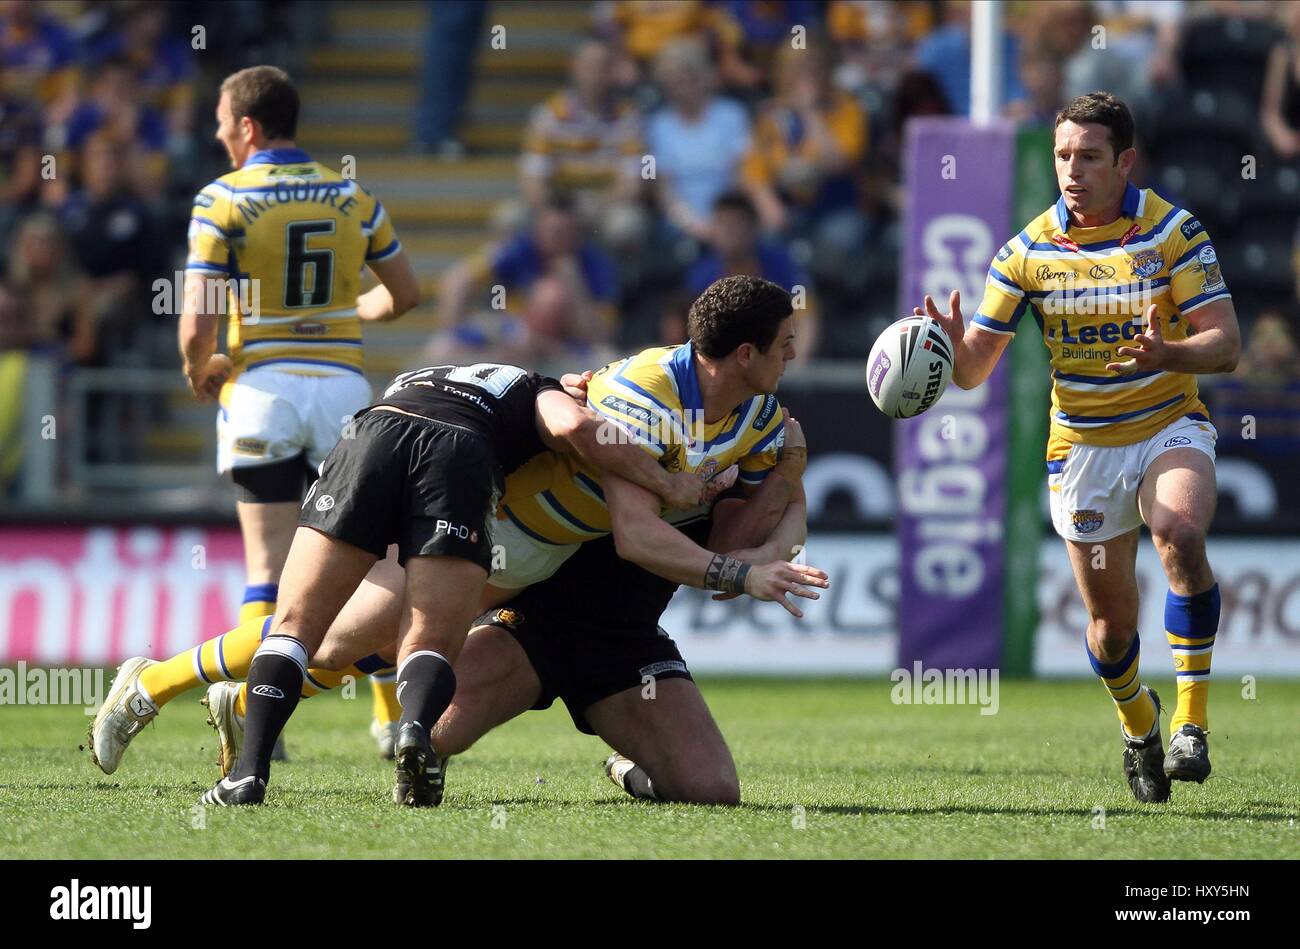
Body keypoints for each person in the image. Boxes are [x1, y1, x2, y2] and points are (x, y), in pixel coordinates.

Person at [197, 360, 819, 806]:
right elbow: (642, 531)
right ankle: (194, 688)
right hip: (527, 614)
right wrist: (736, 558)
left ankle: (631, 768)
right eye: (783, 345)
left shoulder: (751, 451)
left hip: (621, 642)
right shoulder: (634, 422)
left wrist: (786, 481)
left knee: (712, 791)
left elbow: (759, 540)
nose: (793, 356)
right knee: (354, 656)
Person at [90, 65, 421, 775]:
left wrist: (198, 368)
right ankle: (388, 717)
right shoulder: (352, 194)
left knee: (269, 570)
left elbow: (195, 323)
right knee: (373, 562)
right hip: (341, 392)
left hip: (263, 388)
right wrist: (339, 316)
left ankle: (245, 707)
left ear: (248, 127)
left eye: (220, 122)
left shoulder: (222, 197)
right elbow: (405, 293)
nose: (215, 134)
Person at [920, 92, 1239, 803]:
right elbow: (975, 369)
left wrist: (1169, 353)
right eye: (1064, 155)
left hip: (1167, 424)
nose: (1072, 169)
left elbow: (1226, 346)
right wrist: (942, 348)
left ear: (1125, 160)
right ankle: (1140, 723)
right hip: (1084, 450)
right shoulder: (1027, 251)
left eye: (1089, 156)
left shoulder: (1172, 232)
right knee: (1108, 628)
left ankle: (1191, 722)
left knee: (1180, 532)